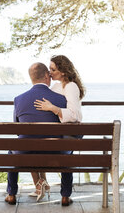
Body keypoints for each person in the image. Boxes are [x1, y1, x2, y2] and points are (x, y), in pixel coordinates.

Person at [5, 62, 74, 207]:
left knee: (12, 150)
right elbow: (66, 126)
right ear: (46, 76)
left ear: (31, 78)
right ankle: (65, 196)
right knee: (68, 150)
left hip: (26, 152)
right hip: (56, 152)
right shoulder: (60, 99)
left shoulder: (18, 100)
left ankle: (11, 194)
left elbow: (17, 129)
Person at [31, 55, 85, 201]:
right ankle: (48, 187)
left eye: (53, 69)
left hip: (68, 133)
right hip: (59, 133)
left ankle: (65, 194)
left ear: (63, 71)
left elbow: (75, 115)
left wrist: (53, 108)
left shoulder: (70, 86)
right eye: (49, 69)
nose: (50, 72)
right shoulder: (55, 86)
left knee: (66, 155)